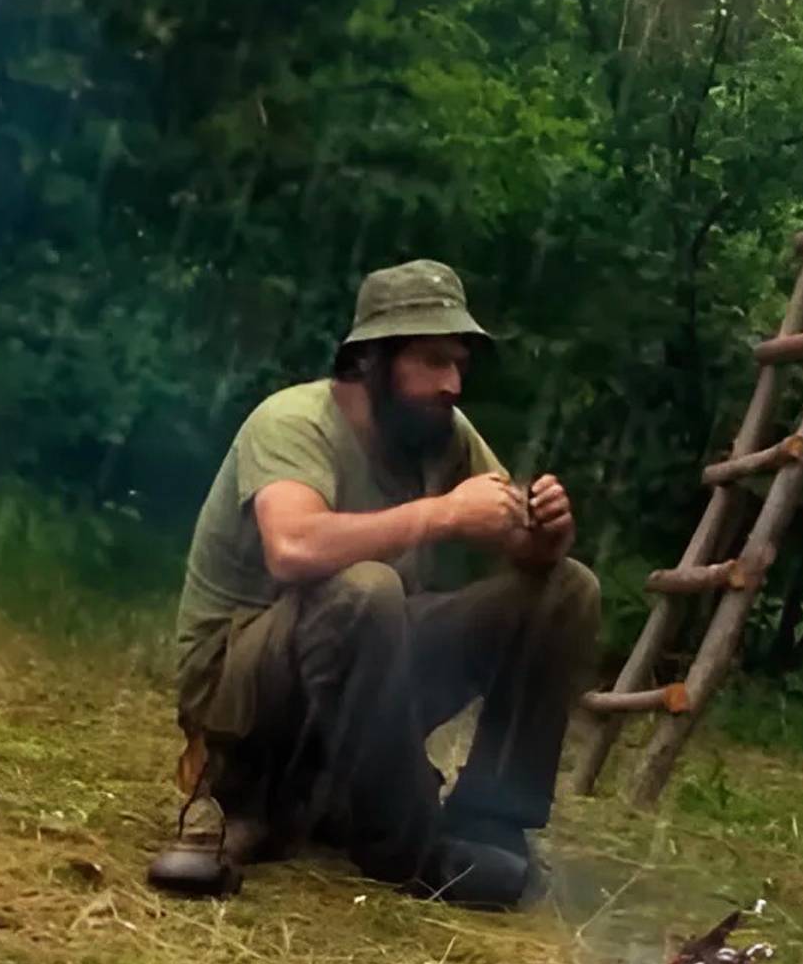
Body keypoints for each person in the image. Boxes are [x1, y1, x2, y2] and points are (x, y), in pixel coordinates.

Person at [146, 259, 600, 909]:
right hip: (244, 694)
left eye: (460, 364)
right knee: (365, 586)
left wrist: (545, 534)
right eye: (433, 362)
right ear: (370, 362)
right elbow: (294, 547)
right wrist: (445, 514)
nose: (452, 384)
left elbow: (516, 539)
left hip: (362, 671)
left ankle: (490, 820)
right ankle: (403, 846)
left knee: (566, 590)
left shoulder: (441, 435)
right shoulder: (292, 422)